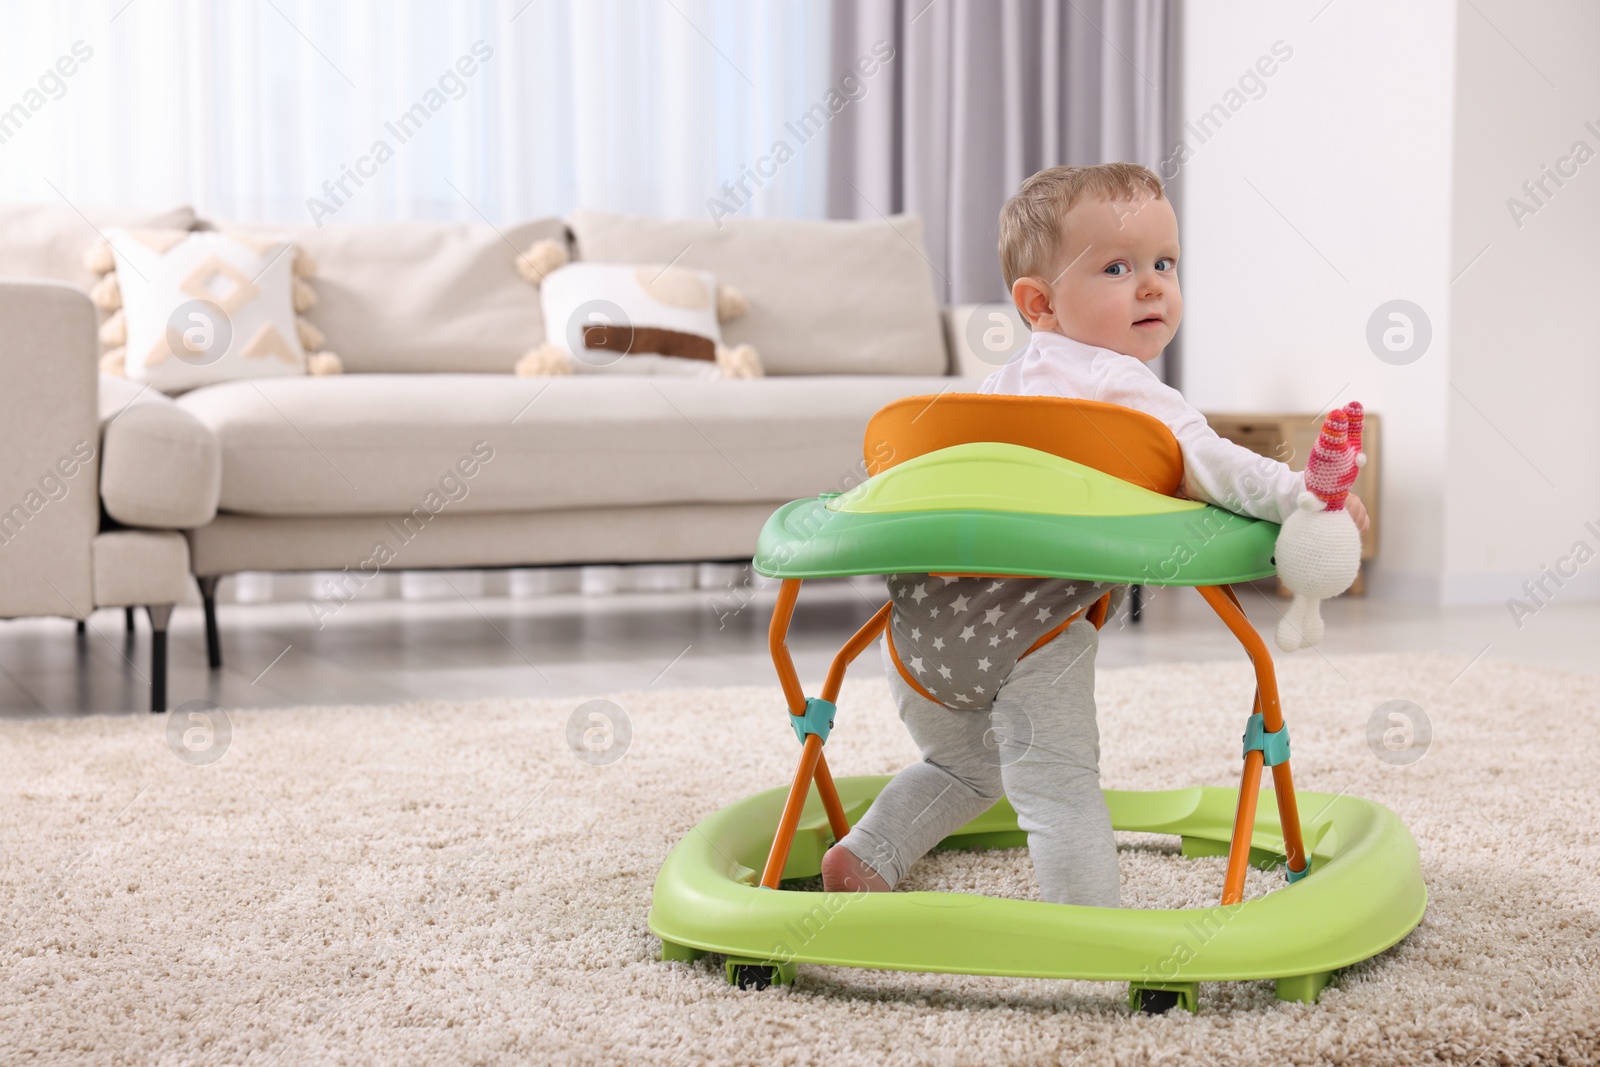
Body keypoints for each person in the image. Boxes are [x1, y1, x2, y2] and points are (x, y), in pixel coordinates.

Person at [820, 162, 1368, 907]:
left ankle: (869, 852)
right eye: (1117, 267)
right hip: (1032, 632)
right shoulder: (1126, 389)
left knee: (964, 770)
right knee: (1059, 789)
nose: (1151, 285)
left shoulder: (993, 393)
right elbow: (1212, 464)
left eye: (1164, 263)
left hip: (919, 629)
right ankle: (1091, 927)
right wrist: (1305, 498)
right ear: (1039, 302)